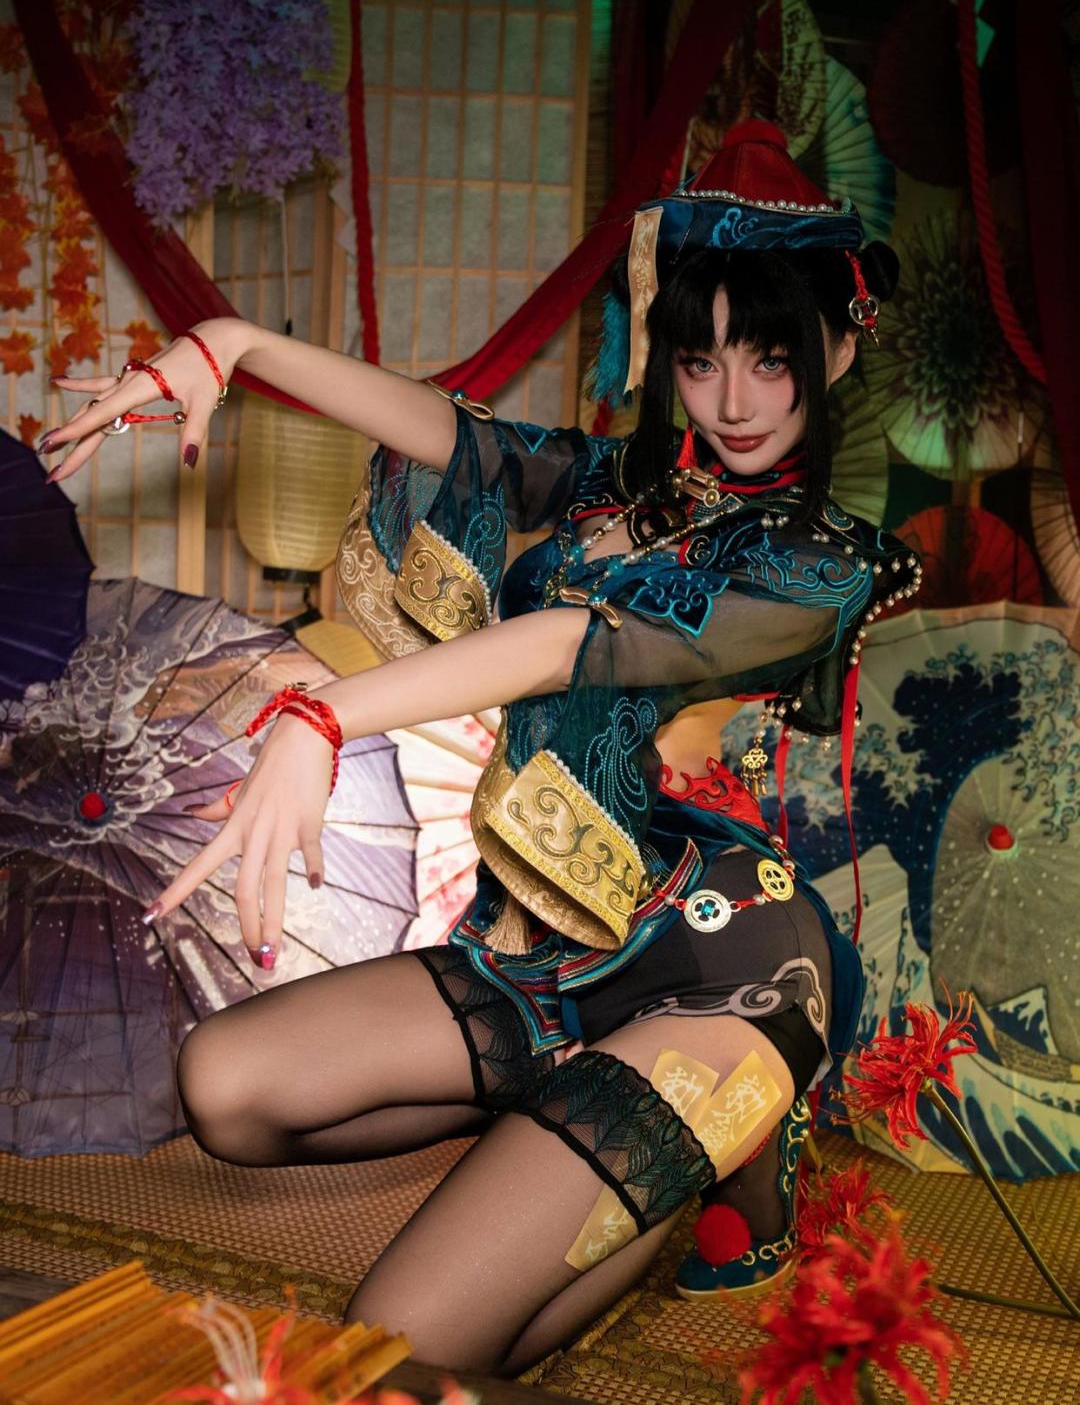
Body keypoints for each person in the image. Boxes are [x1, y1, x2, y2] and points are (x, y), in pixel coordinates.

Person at [40, 122, 919, 1374]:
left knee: (397, 1346)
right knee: (224, 1086)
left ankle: (682, 1153)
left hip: (719, 973)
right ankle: (575, 1125)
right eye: (701, 357)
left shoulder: (818, 566)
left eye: (771, 360)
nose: (731, 401)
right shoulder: (630, 487)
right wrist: (233, 346)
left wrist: (326, 714)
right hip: (547, 946)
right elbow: (459, 438)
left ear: (836, 349)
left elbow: (575, 644)